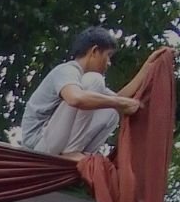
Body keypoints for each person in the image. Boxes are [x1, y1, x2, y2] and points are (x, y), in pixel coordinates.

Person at [20, 26, 171, 161]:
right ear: (94, 52)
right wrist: (121, 103)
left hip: (55, 143)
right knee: (96, 81)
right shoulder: (67, 70)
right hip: (38, 146)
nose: (109, 63)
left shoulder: (85, 82)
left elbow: (118, 98)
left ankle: (82, 153)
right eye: (108, 56)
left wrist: (148, 68)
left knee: (111, 111)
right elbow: (75, 98)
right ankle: (72, 151)